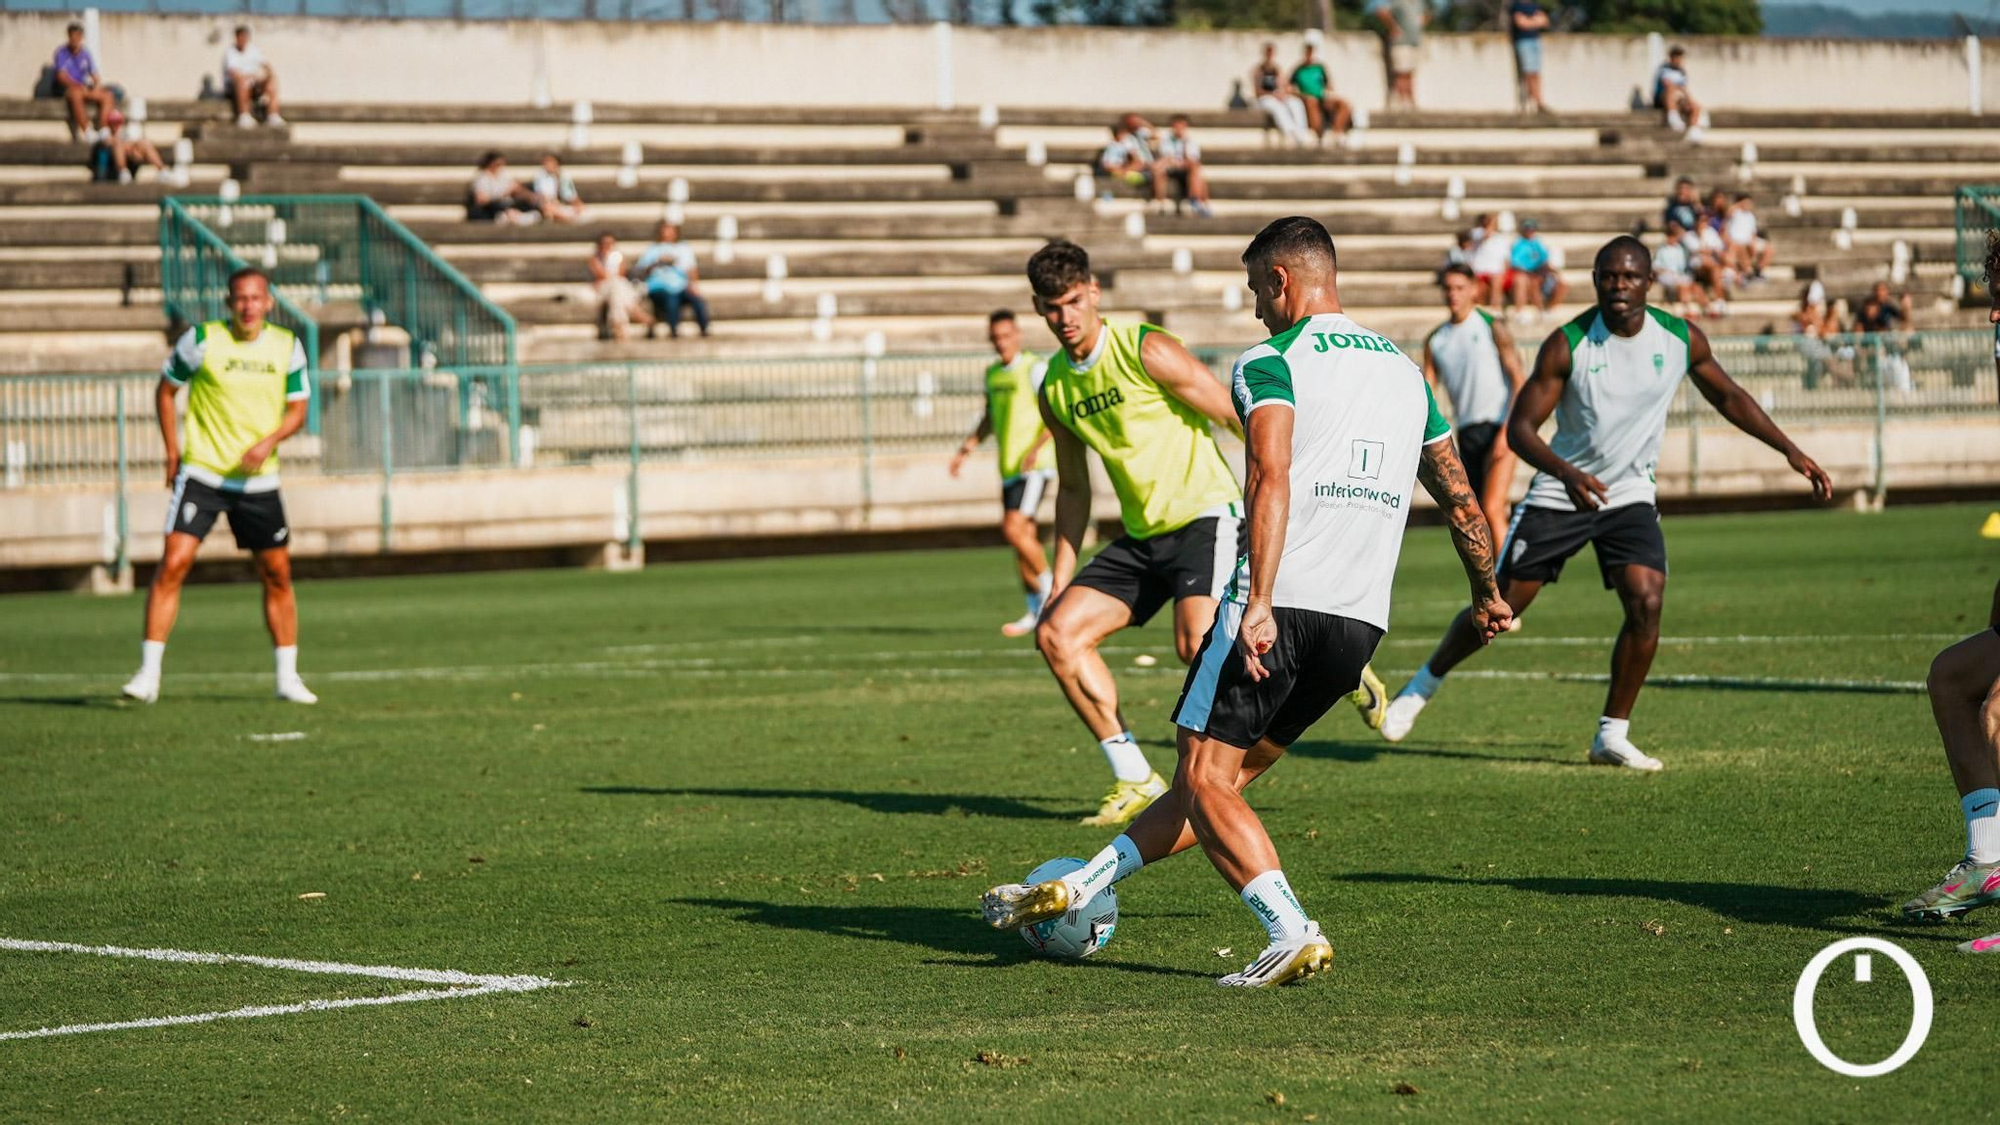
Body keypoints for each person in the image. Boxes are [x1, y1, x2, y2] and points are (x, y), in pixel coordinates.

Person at [981, 216, 1511, 988]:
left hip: (1278, 605)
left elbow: (1266, 474)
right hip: (1358, 624)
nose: (1256, 306)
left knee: (1204, 776)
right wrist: (1487, 591)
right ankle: (1085, 884)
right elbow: (1461, 498)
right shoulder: (1405, 371)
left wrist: (1257, 599)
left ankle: (1290, 928)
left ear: (1282, 282)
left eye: (1257, 289)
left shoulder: (1269, 360)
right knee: (1212, 785)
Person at [1380, 236, 1832, 768]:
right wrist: (1565, 471)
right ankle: (1424, 683)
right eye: (1608, 275)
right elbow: (1522, 430)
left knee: (1647, 600)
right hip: (1559, 493)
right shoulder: (1568, 343)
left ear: (1648, 281)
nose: (1618, 285)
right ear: (1595, 280)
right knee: (1501, 608)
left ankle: (1611, 734)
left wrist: (1790, 450)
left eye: (1629, 276)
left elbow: (1729, 396)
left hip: (1630, 494)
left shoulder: (1679, 338)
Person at [122, 268, 317, 706]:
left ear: (269, 303)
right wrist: (172, 453)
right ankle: (148, 675)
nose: (248, 306)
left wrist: (268, 441)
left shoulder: (286, 345)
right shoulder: (203, 339)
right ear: (229, 303)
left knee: (277, 574)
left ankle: (287, 677)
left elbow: (298, 409)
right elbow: (166, 390)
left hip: (258, 480)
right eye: (240, 299)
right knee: (174, 562)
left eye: (256, 298)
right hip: (204, 474)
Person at [949, 310, 1054, 638]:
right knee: (1022, 538)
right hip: (1009, 467)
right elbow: (990, 417)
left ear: (1017, 334)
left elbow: (1056, 411)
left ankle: (1052, 592)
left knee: (1014, 529)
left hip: (1034, 466)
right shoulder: (993, 374)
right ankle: (1036, 610)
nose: (1001, 342)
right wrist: (967, 447)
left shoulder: (1034, 368)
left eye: (1006, 335)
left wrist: (1037, 448)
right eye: (995, 336)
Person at [1425, 264, 1528, 544]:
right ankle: (1492, 585)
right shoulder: (1436, 340)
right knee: (1477, 513)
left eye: (1459, 288)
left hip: (1499, 427)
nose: (1453, 294)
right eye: (1447, 288)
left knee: (1493, 508)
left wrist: (1508, 432)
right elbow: (1426, 393)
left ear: (1474, 289)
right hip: (1468, 431)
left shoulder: (1490, 325)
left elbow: (1519, 380)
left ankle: (1508, 582)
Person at [634, 222, 711, 339]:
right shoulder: (653, 249)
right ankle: (674, 331)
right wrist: (657, 262)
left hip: (681, 286)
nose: (667, 233)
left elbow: (692, 269)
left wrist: (694, 285)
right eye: (665, 230)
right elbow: (641, 271)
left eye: (670, 230)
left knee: (698, 301)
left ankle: (704, 329)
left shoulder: (683, 248)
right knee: (671, 298)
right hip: (659, 287)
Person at [53, 23, 118, 142]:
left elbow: (95, 75)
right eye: (73, 36)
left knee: (107, 95)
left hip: (83, 87)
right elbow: (61, 77)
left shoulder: (85, 54)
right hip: (67, 89)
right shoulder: (61, 52)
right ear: (69, 36)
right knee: (76, 93)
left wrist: (96, 86)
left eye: (78, 36)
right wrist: (77, 86)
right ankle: (88, 132)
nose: (75, 39)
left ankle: (103, 130)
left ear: (81, 37)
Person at [1368, 0, 1427, 109]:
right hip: (1400, 43)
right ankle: (1400, 104)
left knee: (1410, 74)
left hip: (1414, 43)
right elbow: (1381, 11)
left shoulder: (1419, 3)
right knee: (1401, 74)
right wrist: (1393, 27)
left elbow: (1424, 17)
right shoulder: (1398, 2)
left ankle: (1411, 103)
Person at [1791, 281, 1852, 388]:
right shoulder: (1800, 313)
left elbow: (1825, 331)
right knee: (1828, 360)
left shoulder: (1818, 314)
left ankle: (1844, 381)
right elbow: (1817, 329)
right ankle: (1847, 379)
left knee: (1837, 357)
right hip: (1807, 345)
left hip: (1819, 345)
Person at [1251, 43, 1312, 147]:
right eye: (1268, 51)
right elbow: (1258, 92)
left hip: (1277, 97)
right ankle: (1290, 132)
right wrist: (1273, 95)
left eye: (1271, 52)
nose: (1270, 54)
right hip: (1265, 99)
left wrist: (1283, 94)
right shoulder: (1259, 70)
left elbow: (1284, 86)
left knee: (1295, 103)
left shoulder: (1277, 69)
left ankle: (1301, 134)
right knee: (1276, 106)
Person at [223, 25, 285, 128]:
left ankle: (273, 115)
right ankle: (244, 116)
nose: (243, 39)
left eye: (245, 37)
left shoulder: (254, 50)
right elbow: (233, 73)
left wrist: (268, 76)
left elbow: (266, 65)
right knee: (243, 82)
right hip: (236, 87)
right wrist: (249, 77)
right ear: (236, 37)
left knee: (272, 83)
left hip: (254, 85)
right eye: (240, 37)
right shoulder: (230, 52)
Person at [1289, 44, 1352, 142]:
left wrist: (1327, 93)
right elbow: (1289, 87)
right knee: (1311, 101)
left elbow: (1329, 85)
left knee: (1343, 104)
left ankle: (1336, 132)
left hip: (1322, 97)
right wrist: (1302, 95)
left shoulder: (1320, 68)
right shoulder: (1298, 69)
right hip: (1307, 99)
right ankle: (1319, 134)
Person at [588, 233, 644, 342]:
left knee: (617, 289)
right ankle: (633, 311)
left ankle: (618, 323)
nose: (608, 245)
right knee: (616, 287)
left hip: (616, 288)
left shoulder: (619, 257)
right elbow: (602, 275)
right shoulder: (595, 259)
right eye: (605, 243)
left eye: (610, 243)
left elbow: (621, 273)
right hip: (603, 289)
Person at [1506, 218, 1567, 318]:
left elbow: (1545, 260)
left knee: (1562, 285)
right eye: (1527, 229)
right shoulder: (1518, 244)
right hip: (1527, 274)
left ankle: (1549, 310)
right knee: (1534, 282)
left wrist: (1550, 271)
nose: (1530, 231)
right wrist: (1533, 273)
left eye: (1532, 229)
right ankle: (1539, 309)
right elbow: (1515, 264)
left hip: (1540, 273)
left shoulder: (1538, 243)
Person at [92, 108, 166, 184]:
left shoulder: (126, 132)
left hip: (128, 156)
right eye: (113, 122)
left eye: (118, 122)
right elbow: (105, 142)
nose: (116, 125)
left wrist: (132, 150)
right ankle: (123, 172)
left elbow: (133, 143)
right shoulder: (105, 132)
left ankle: (162, 171)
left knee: (145, 144)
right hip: (111, 160)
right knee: (119, 144)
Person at [1158, 115, 1214, 218]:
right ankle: (1161, 202)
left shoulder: (1190, 140)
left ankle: (1196, 199)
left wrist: (1184, 151)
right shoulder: (1166, 139)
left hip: (1185, 167)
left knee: (1196, 169)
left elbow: (1193, 159)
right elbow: (1167, 158)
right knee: (1160, 168)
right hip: (1170, 168)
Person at [466, 152, 540, 225]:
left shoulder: (503, 174)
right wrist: (503, 194)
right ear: (491, 163)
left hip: (507, 205)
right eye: (498, 164)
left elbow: (517, 187)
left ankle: (514, 216)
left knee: (524, 202)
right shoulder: (481, 178)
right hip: (491, 208)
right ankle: (514, 217)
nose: (500, 167)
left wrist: (532, 196)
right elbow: (482, 200)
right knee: (496, 206)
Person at [1653, 45, 1705, 142]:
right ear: (1671, 58)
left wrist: (1689, 100)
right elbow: (1667, 84)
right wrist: (1679, 89)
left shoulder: (1682, 72)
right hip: (1662, 98)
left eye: (1680, 57)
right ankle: (1673, 118)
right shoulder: (1663, 68)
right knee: (1670, 90)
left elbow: (1684, 89)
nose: (1679, 59)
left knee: (1695, 106)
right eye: (1676, 57)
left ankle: (1694, 131)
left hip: (1677, 98)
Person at [1510, 0, 1551, 113]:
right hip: (1524, 42)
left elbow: (1545, 21)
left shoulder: (1534, 5)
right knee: (1529, 73)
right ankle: (1535, 102)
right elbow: (1521, 23)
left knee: (1536, 73)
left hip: (1535, 41)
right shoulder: (1517, 5)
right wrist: (1536, 21)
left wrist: (1530, 22)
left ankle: (1538, 101)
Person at [1723, 193, 1773, 282]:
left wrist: (1753, 243)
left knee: (1769, 248)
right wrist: (1740, 204)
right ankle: (1748, 273)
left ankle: (1758, 271)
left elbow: (1753, 233)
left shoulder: (1751, 216)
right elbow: (1728, 213)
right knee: (1741, 248)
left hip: (1749, 241)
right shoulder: (1735, 213)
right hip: (1736, 242)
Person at [1469, 213, 1513, 307]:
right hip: (1479, 271)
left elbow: (1506, 259)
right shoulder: (1475, 232)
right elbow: (1485, 235)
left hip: (1495, 272)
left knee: (1497, 282)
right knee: (1480, 288)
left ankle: (1495, 310)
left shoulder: (1501, 239)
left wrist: (1505, 274)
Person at [532, 153, 586, 224]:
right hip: (547, 204)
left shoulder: (564, 176)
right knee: (548, 209)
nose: (548, 165)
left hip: (561, 206)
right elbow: (542, 195)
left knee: (581, 209)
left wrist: (577, 204)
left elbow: (571, 196)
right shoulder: (540, 176)